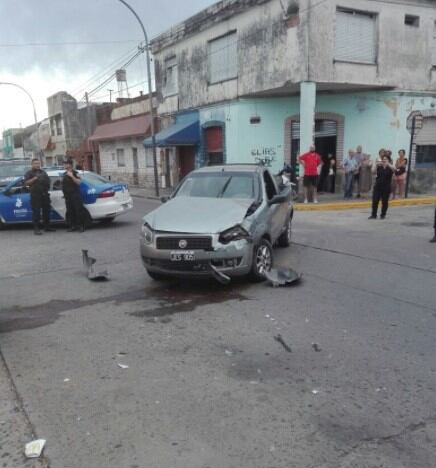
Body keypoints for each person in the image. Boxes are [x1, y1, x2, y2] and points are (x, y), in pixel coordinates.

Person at [24, 158, 55, 235]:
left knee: (46, 212)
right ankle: (36, 229)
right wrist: (35, 178)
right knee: (36, 212)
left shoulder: (43, 172)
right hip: (35, 195)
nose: (37, 165)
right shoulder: (29, 173)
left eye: (38, 163)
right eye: (35, 163)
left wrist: (47, 187)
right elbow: (26, 183)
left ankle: (47, 227)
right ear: (32, 164)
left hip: (44, 194)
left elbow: (48, 181)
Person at [369, 155, 395, 219]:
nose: (384, 160)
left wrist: (388, 164)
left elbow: (395, 170)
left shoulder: (390, 168)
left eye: (386, 159)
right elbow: (372, 171)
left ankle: (383, 215)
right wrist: (376, 164)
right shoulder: (379, 167)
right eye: (383, 159)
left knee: (384, 201)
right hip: (378, 186)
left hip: (386, 187)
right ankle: (373, 215)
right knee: (375, 201)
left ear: (388, 160)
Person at [62, 159, 85, 232]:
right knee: (70, 211)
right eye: (64, 164)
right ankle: (72, 226)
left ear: (70, 165)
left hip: (75, 195)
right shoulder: (64, 174)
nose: (64, 165)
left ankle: (81, 226)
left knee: (78, 211)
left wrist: (72, 176)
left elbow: (79, 183)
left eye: (66, 164)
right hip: (67, 196)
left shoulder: (75, 173)